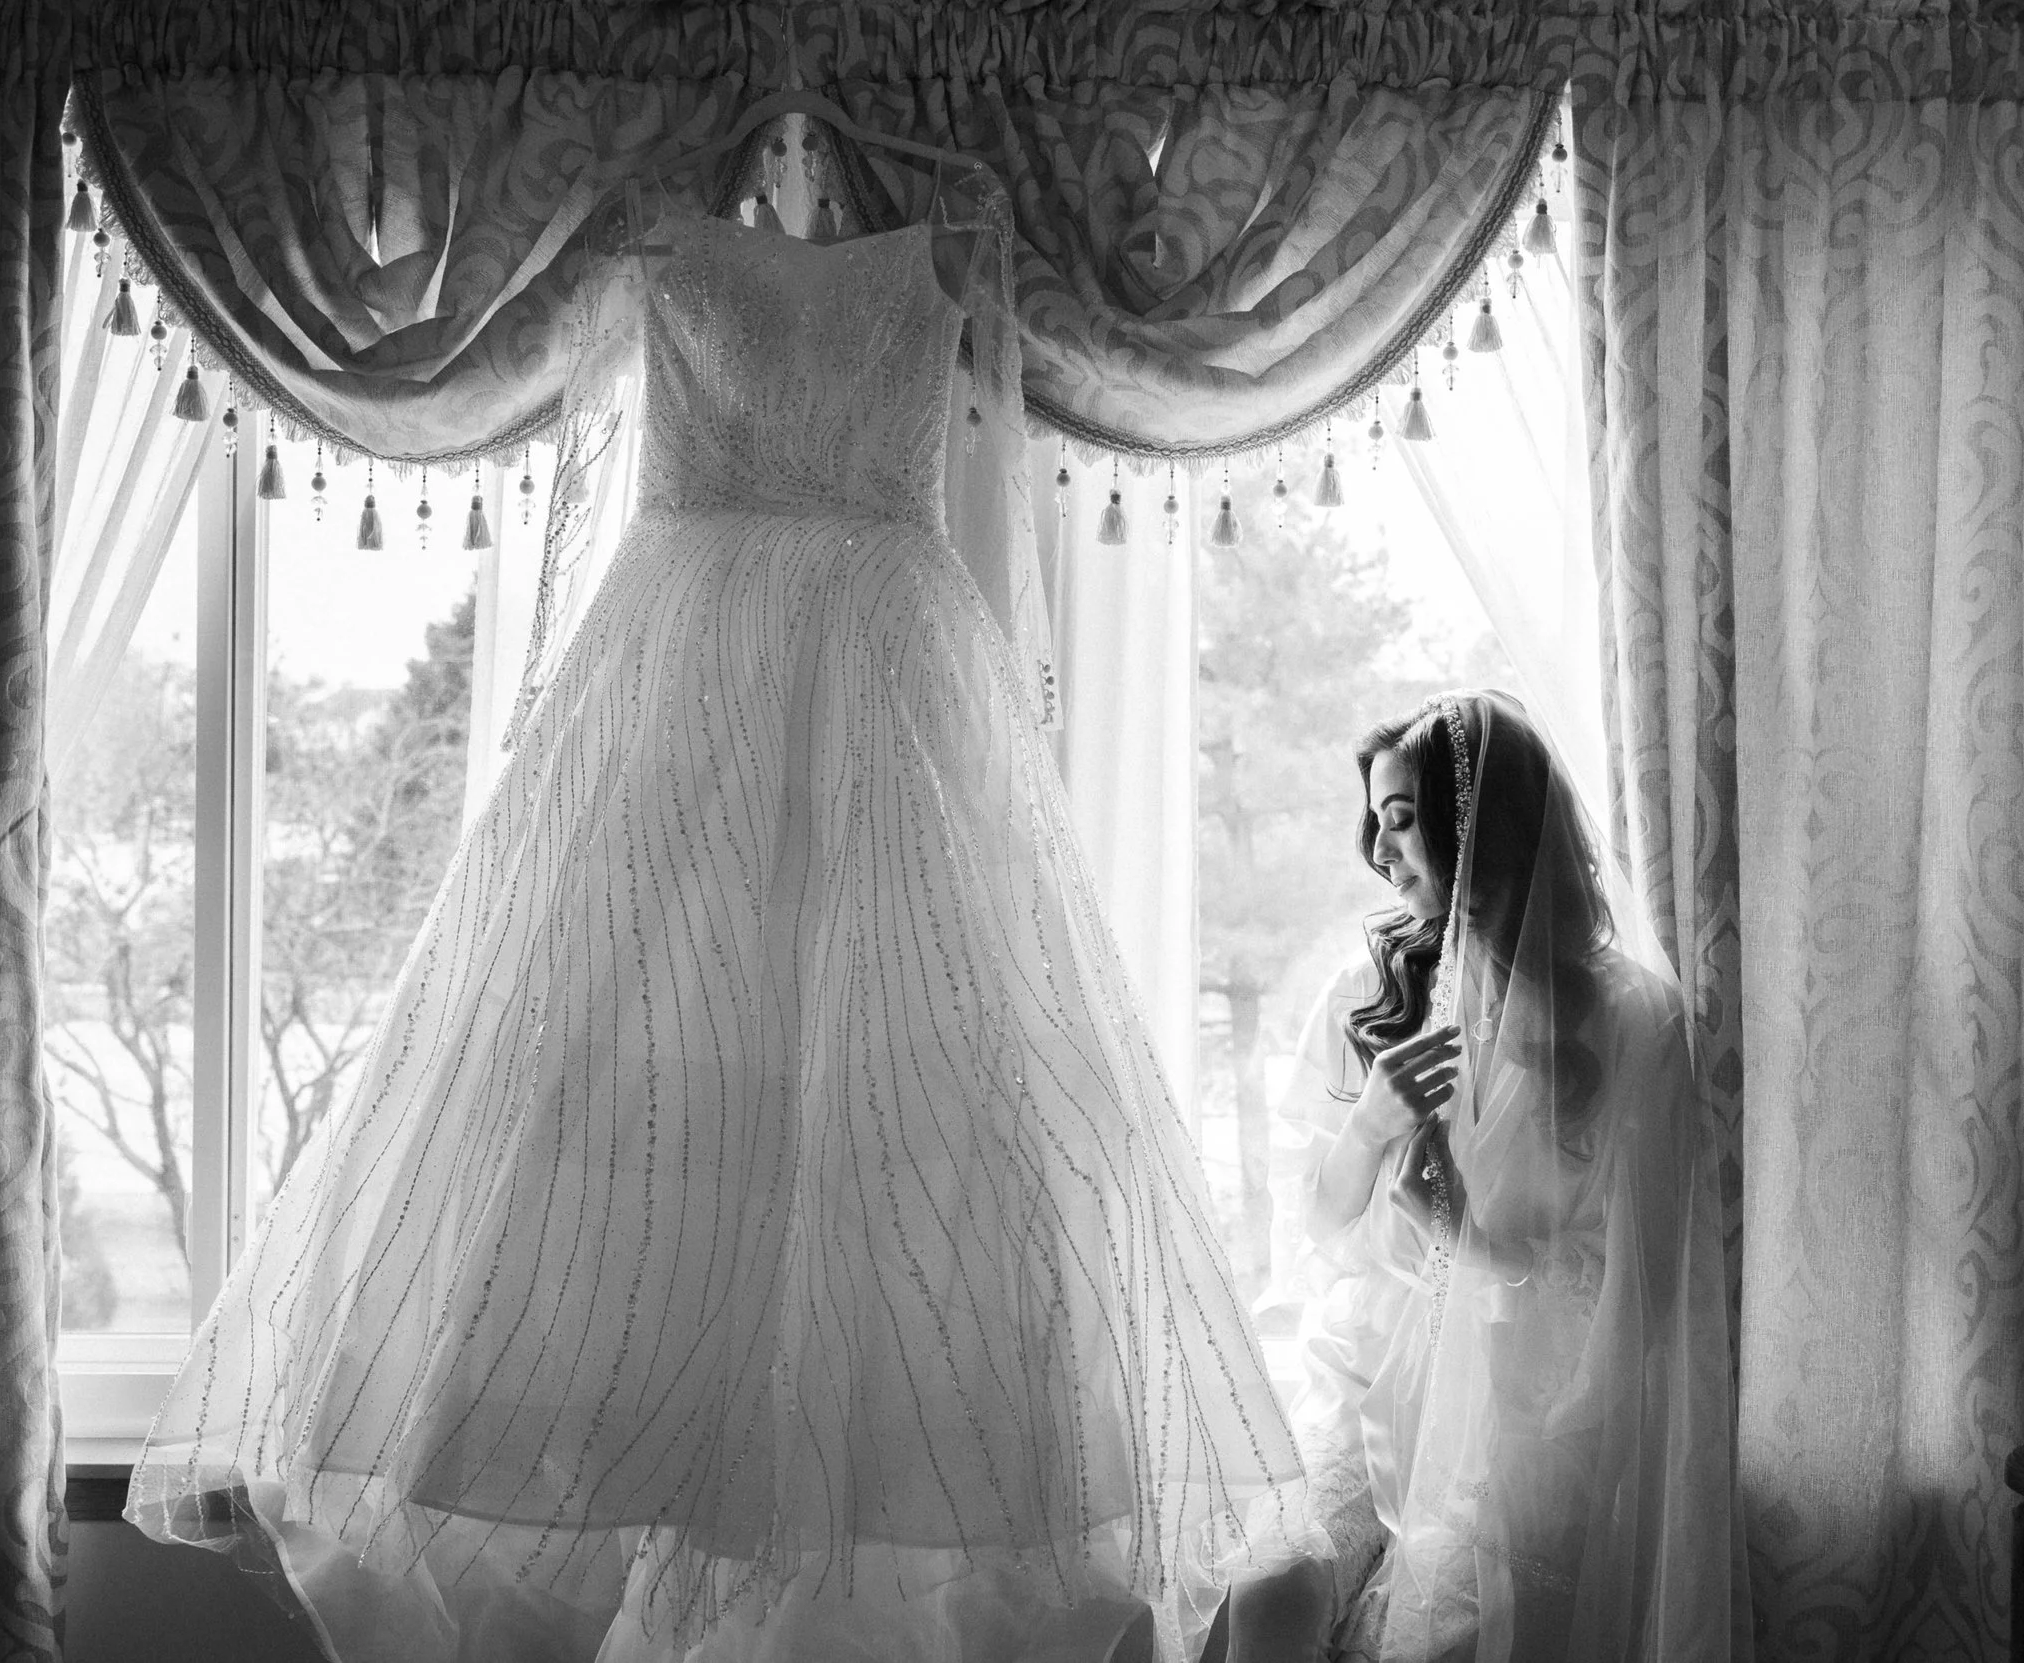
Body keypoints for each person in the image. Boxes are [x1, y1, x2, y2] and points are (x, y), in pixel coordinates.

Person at [126, 136, 1312, 1663]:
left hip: (872, 672)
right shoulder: (675, 244)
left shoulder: (940, 244)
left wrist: (1005, 704)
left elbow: (995, 480)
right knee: (633, 1089)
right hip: (696, 663)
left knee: (902, 1092)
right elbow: (581, 476)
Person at [1224, 690, 1741, 1661]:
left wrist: (1465, 1238)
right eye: (1372, 825)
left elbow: (1632, 1307)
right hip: (1374, 1372)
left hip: (1525, 1420)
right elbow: (1321, 1230)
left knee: (1438, 1640)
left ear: (1475, 824)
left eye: (1401, 819)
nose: (1380, 854)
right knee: (1269, 1593)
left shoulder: (1631, 1025)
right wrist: (1372, 1120)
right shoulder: (1370, 990)